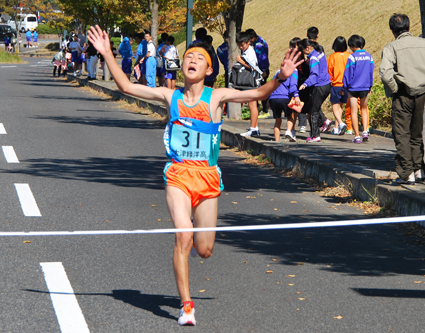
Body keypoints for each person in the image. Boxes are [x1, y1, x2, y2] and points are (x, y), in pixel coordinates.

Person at [87, 24, 302, 327]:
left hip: (208, 178)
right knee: (183, 236)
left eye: (199, 58)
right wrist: (107, 52)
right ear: (182, 64)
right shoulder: (169, 95)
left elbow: (258, 92)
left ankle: (191, 281)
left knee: (205, 250)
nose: (192, 60)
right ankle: (186, 305)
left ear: (209, 68)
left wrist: (281, 76)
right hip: (178, 175)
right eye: (188, 56)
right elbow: (126, 87)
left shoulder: (217, 97)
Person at [380, 13, 425, 184]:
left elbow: (385, 73)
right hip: (421, 93)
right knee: (416, 133)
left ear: (392, 31)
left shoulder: (391, 47)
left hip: (402, 93)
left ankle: (406, 173)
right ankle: (419, 170)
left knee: (401, 133)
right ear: (409, 28)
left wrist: (395, 88)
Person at [343, 35, 374, 144]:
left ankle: (357, 136)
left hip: (353, 88)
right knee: (364, 109)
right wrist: (370, 85)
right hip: (365, 87)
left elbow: (348, 73)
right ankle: (365, 131)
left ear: (351, 46)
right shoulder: (369, 56)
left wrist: (345, 86)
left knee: (354, 111)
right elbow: (371, 73)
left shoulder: (352, 57)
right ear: (363, 44)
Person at [299, 39, 332, 142]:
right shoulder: (319, 51)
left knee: (313, 111)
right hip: (327, 84)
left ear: (307, 48)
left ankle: (315, 136)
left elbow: (314, 74)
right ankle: (325, 121)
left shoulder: (313, 58)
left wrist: (305, 84)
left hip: (319, 86)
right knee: (315, 107)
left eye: (303, 50)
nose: (303, 53)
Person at [269, 39, 301, 142]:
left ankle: (277, 142)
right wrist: (296, 96)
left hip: (273, 98)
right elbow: (293, 85)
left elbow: (272, 84)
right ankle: (288, 131)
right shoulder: (294, 70)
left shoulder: (278, 71)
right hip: (284, 97)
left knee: (277, 121)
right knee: (290, 117)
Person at [236, 31, 262, 137]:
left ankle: (254, 128)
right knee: (252, 105)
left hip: (252, 81)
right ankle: (254, 128)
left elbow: (252, 66)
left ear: (248, 42)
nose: (241, 47)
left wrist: (240, 60)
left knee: (252, 105)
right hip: (250, 81)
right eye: (239, 45)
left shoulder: (250, 51)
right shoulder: (247, 51)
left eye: (242, 45)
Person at [327, 36, 350, 135]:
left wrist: (331, 80)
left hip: (336, 84)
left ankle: (340, 123)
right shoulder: (349, 55)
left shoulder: (333, 56)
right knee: (340, 107)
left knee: (335, 106)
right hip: (347, 85)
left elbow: (329, 71)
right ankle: (337, 128)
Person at [246, 29, 270, 117]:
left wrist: (263, 70)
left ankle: (265, 110)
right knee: (258, 89)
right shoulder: (258, 41)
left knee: (262, 90)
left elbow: (261, 59)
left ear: (253, 37)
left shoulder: (259, 45)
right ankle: (261, 107)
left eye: (249, 39)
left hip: (261, 70)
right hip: (261, 69)